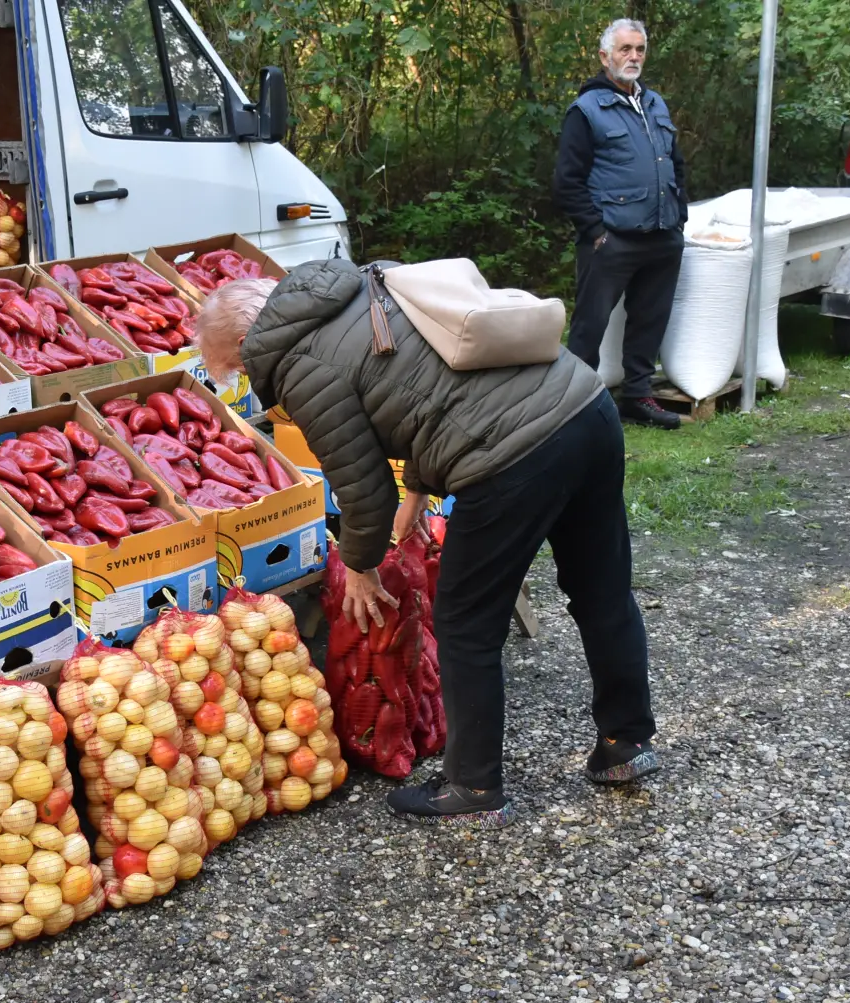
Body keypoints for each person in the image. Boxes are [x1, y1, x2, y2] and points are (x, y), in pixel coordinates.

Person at [194, 262, 660, 828]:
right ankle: (627, 743)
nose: (248, 373)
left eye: (239, 364)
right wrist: (417, 488)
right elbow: (436, 391)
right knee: (601, 590)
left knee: (466, 620)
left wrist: (359, 564)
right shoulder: (363, 288)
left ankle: (474, 785)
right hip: (584, 406)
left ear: (247, 340)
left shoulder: (300, 364)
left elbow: (362, 491)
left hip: (511, 453)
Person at [554, 18, 688, 430]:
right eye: (625, 49)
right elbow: (567, 181)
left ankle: (638, 397)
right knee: (589, 326)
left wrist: (679, 217)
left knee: (650, 320)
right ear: (605, 56)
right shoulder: (587, 110)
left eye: (639, 49)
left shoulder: (655, 103)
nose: (633, 57)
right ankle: (571, 407)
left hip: (661, 237)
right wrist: (596, 232)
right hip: (611, 240)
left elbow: (675, 164)